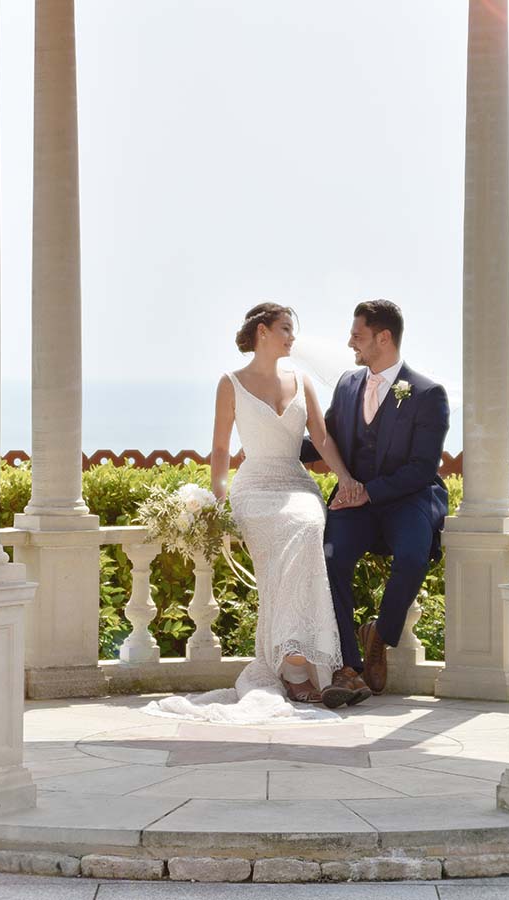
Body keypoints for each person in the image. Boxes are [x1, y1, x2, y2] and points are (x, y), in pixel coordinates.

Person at [145, 302, 370, 724]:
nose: (292, 338)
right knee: (286, 554)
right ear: (262, 332)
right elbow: (219, 448)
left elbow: (320, 439)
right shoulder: (230, 383)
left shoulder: (302, 381)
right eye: (285, 329)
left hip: (297, 485)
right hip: (254, 489)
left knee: (306, 527)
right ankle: (297, 666)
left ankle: (302, 664)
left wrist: (347, 480)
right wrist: (216, 499)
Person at [301, 300, 449, 704]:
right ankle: (349, 665)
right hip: (354, 501)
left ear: (383, 337)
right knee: (331, 557)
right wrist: (275, 446)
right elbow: (325, 439)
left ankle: (380, 636)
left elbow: (423, 467)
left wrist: (369, 491)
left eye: (358, 335)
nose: (351, 342)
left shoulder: (427, 393)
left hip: (406, 497)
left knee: (414, 554)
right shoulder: (348, 385)